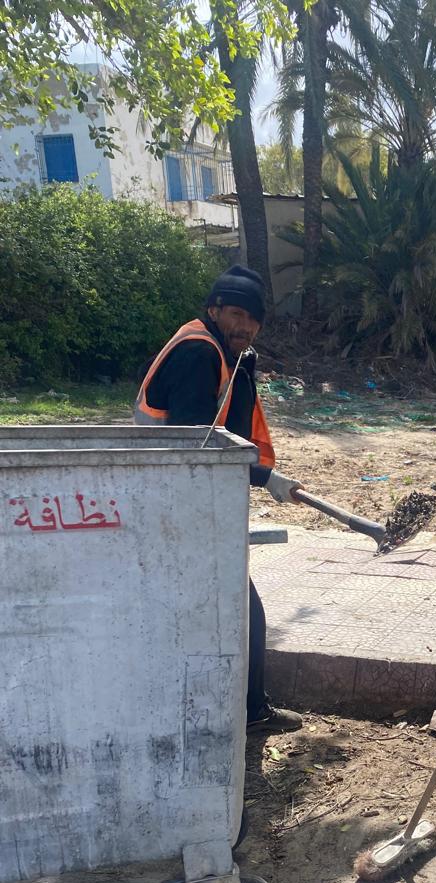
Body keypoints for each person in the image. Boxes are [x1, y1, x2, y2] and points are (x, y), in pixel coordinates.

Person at [134, 265, 304, 734]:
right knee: (243, 610)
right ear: (214, 310)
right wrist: (264, 476)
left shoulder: (223, 352)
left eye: (254, 319)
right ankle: (248, 713)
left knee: (223, 607)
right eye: (236, 314)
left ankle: (222, 707)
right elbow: (196, 445)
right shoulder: (199, 353)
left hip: (184, 495)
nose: (245, 326)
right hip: (180, 499)